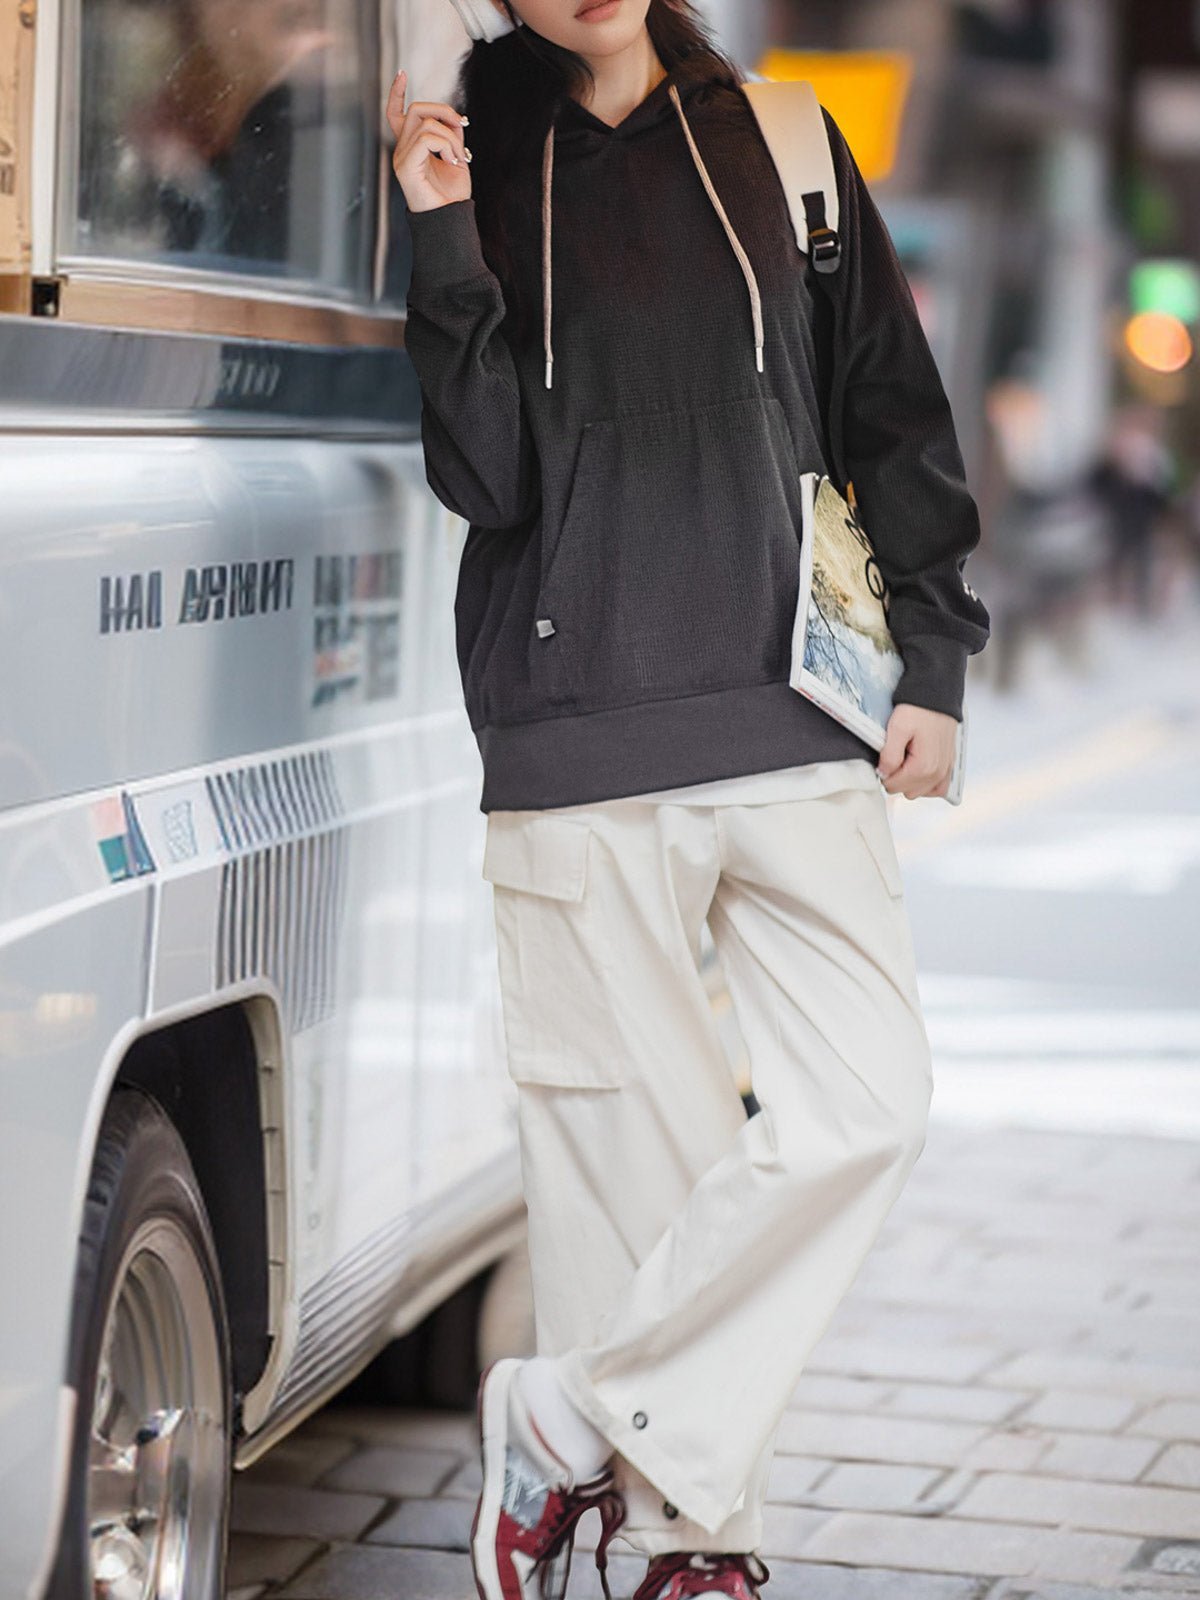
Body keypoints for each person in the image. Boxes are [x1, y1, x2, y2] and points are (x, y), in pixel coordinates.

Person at [387, 4, 991, 1598]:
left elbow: (891, 404)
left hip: (796, 712)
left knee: (871, 1104)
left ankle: (563, 1417)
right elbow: (485, 478)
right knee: (630, 1177)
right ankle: (690, 1552)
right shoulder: (476, 161)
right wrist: (442, 237)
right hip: (576, 732)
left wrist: (932, 655)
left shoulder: (785, 139)